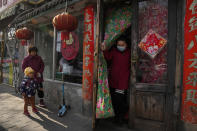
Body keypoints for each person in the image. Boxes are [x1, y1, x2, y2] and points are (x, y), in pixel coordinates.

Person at [101, 37, 131, 124]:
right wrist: (104, 50)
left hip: (122, 82)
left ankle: (121, 117)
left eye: (122, 45)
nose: (120, 46)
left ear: (126, 45)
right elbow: (108, 57)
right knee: (114, 100)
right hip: (113, 80)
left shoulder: (130, 53)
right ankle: (117, 117)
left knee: (120, 100)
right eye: (119, 45)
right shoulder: (114, 51)